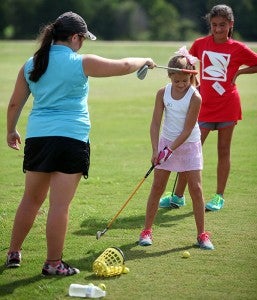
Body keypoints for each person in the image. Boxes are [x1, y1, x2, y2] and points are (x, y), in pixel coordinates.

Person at [6, 11, 155, 276]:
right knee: (59, 206)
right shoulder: (80, 62)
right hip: (71, 139)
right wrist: (145, 60)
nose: (83, 44)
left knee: (30, 200)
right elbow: (122, 66)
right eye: (82, 39)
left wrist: (11, 130)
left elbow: (15, 103)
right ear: (75, 37)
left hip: (39, 138)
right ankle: (53, 264)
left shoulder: (31, 63)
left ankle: (13, 253)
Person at [159, 4, 257, 211]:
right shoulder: (200, 44)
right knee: (189, 150)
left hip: (228, 105)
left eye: (223, 25)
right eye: (214, 25)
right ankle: (178, 196)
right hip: (202, 106)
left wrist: (238, 73)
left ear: (231, 24)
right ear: (210, 25)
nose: (218, 29)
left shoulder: (238, 48)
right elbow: (187, 66)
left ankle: (219, 196)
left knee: (223, 151)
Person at [138, 50, 214, 250]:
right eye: (177, 81)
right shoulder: (162, 93)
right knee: (157, 187)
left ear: (191, 75)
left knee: (196, 189)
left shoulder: (195, 96)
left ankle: (202, 235)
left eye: (185, 80)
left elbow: (188, 129)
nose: (181, 85)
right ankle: (146, 231)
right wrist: (156, 150)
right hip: (166, 142)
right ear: (170, 76)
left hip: (189, 145)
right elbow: (155, 123)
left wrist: (169, 150)